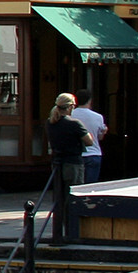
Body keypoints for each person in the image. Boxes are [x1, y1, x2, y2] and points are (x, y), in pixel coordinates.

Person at [45, 92, 92, 244]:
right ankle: (73, 230)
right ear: (71, 107)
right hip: (73, 163)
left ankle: (59, 231)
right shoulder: (74, 123)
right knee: (73, 196)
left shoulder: (50, 123)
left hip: (58, 163)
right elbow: (89, 141)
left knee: (59, 197)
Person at [71, 94, 108, 184]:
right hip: (94, 153)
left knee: (76, 185)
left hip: (76, 154)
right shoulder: (98, 117)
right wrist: (104, 132)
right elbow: (100, 137)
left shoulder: (71, 115)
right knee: (90, 186)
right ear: (89, 101)